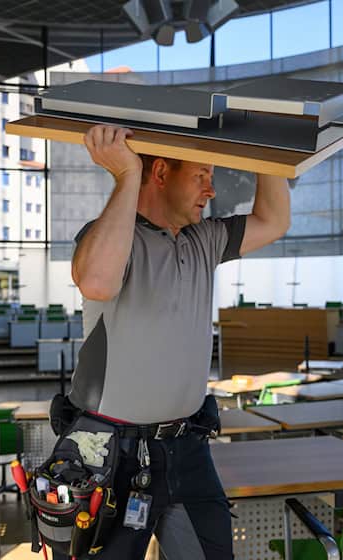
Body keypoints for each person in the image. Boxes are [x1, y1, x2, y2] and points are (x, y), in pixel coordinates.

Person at [61, 125, 290, 559]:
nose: (211, 188)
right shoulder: (111, 235)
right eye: (201, 175)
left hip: (187, 447)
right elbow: (94, 281)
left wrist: (268, 151)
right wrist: (128, 176)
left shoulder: (206, 239)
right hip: (112, 454)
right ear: (162, 172)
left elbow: (274, 220)